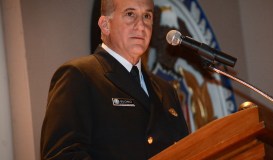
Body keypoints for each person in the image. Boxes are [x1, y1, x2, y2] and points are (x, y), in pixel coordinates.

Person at [40, 0, 189, 159]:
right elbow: (62, 155)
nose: (141, 26)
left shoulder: (166, 91)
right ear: (105, 25)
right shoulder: (79, 76)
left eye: (147, 16)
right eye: (130, 14)